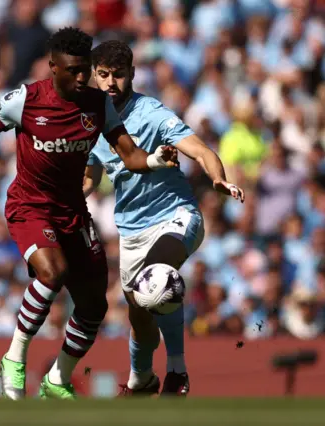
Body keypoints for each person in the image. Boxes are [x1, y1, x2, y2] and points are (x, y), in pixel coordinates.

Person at [0, 28, 178, 400]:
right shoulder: (26, 100)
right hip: (29, 207)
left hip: (73, 212)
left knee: (94, 305)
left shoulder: (98, 104)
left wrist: (155, 159)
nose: (83, 78)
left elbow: (129, 154)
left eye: (85, 70)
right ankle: (14, 357)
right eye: (74, 71)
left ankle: (57, 379)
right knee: (53, 272)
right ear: (53, 68)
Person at [83, 40, 244, 396]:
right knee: (140, 312)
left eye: (119, 75)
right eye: (104, 75)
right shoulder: (91, 122)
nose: (111, 83)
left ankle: (177, 370)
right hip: (132, 230)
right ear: (94, 76)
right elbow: (92, 175)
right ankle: (142, 379)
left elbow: (200, 149)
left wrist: (217, 177)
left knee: (157, 278)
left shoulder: (151, 113)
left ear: (132, 75)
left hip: (176, 215)